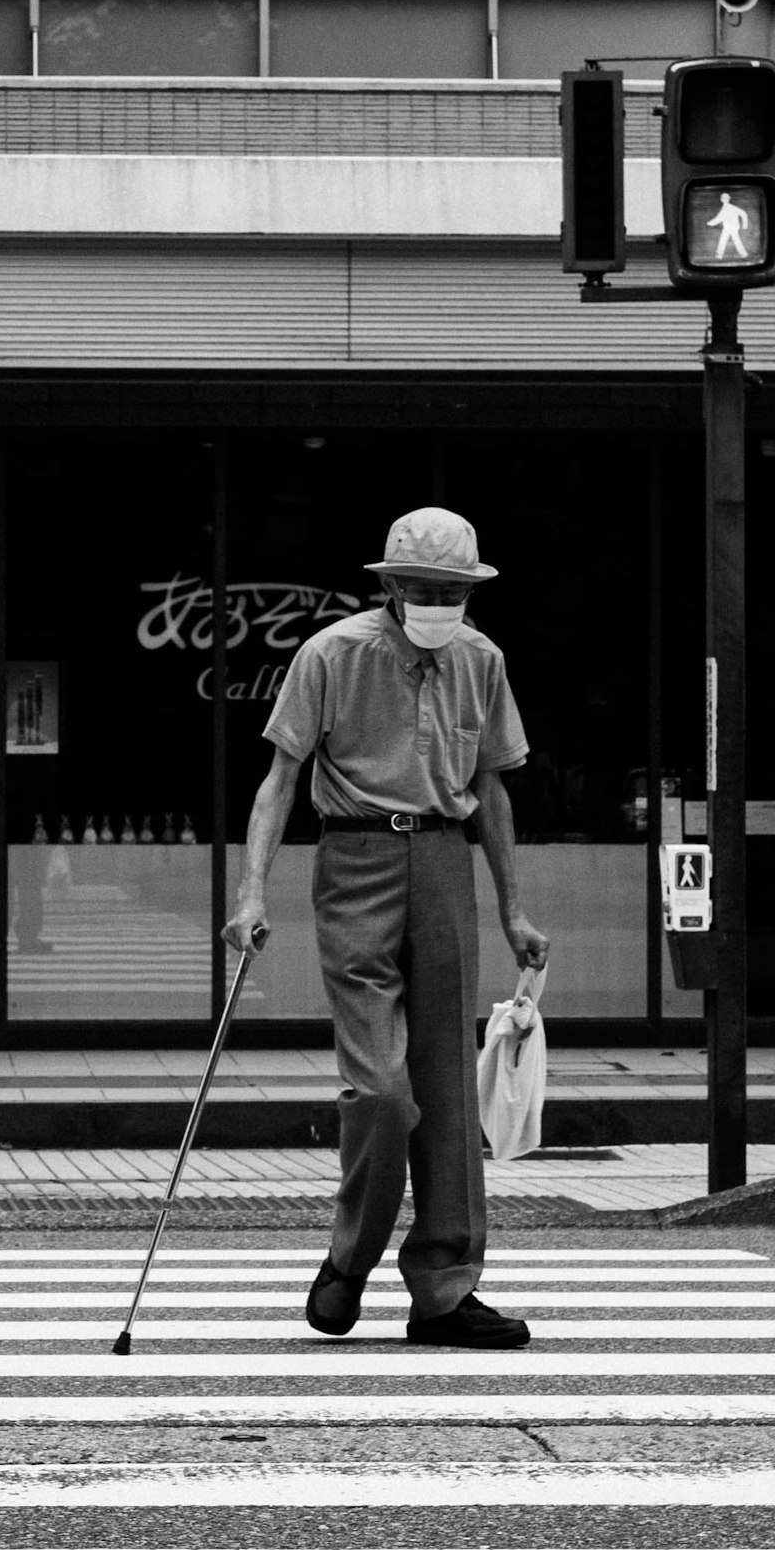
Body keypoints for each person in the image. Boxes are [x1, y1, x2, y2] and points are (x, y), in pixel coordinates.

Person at [223, 507, 554, 1350]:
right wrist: (250, 894)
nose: (439, 602)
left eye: (455, 592)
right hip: (357, 859)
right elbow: (279, 780)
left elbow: (495, 789)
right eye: (423, 589)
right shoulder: (332, 654)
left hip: (446, 862)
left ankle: (444, 1290)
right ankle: (349, 1261)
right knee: (382, 1091)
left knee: (445, 1085)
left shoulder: (483, 660)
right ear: (392, 587)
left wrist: (513, 905)